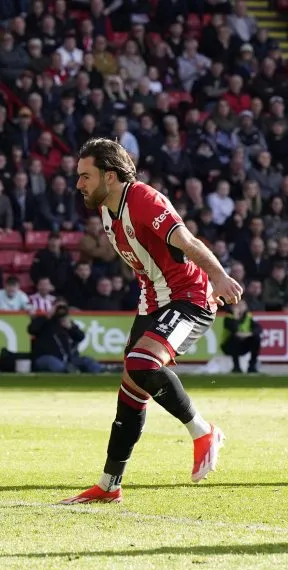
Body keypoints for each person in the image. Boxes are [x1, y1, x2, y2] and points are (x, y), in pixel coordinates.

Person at [62, 138, 242, 505]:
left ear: (109, 176)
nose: (78, 183)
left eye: (85, 176)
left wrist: (220, 278)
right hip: (153, 303)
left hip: (189, 298)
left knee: (141, 363)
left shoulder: (144, 200)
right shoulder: (106, 210)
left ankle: (204, 432)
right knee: (131, 388)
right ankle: (109, 484)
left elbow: (188, 241)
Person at [28, 304, 103, 374]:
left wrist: (70, 328)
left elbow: (81, 337)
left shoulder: (68, 323)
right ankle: (68, 372)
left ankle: (102, 372)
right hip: (46, 357)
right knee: (54, 363)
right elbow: (31, 330)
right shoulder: (45, 321)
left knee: (87, 360)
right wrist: (47, 316)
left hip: (67, 359)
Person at [221, 300, 261, 373]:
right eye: (238, 305)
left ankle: (252, 366)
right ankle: (236, 367)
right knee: (235, 338)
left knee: (256, 338)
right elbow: (234, 330)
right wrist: (236, 316)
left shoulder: (248, 316)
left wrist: (249, 334)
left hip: (243, 344)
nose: (240, 307)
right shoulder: (229, 317)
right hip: (228, 346)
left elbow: (258, 328)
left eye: (242, 305)